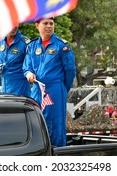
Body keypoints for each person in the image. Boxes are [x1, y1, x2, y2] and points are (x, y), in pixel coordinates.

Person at [23, 17, 76, 147]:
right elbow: (26, 67)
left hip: (55, 89)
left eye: (51, 23)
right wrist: (28, 74)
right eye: (45, 23)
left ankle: (56, 155)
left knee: (55, 124)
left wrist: (62, 89)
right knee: (36, 121)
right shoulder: (32, 46)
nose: (49, 26)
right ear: (37, 25)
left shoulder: (62, 46)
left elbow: (70, 71)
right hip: (36, 90)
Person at [0, 26, 31, 96]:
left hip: (21, 89)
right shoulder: (0, 42)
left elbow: (31, 64)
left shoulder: (25, 43)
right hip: (4, 88)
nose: (14, 27)